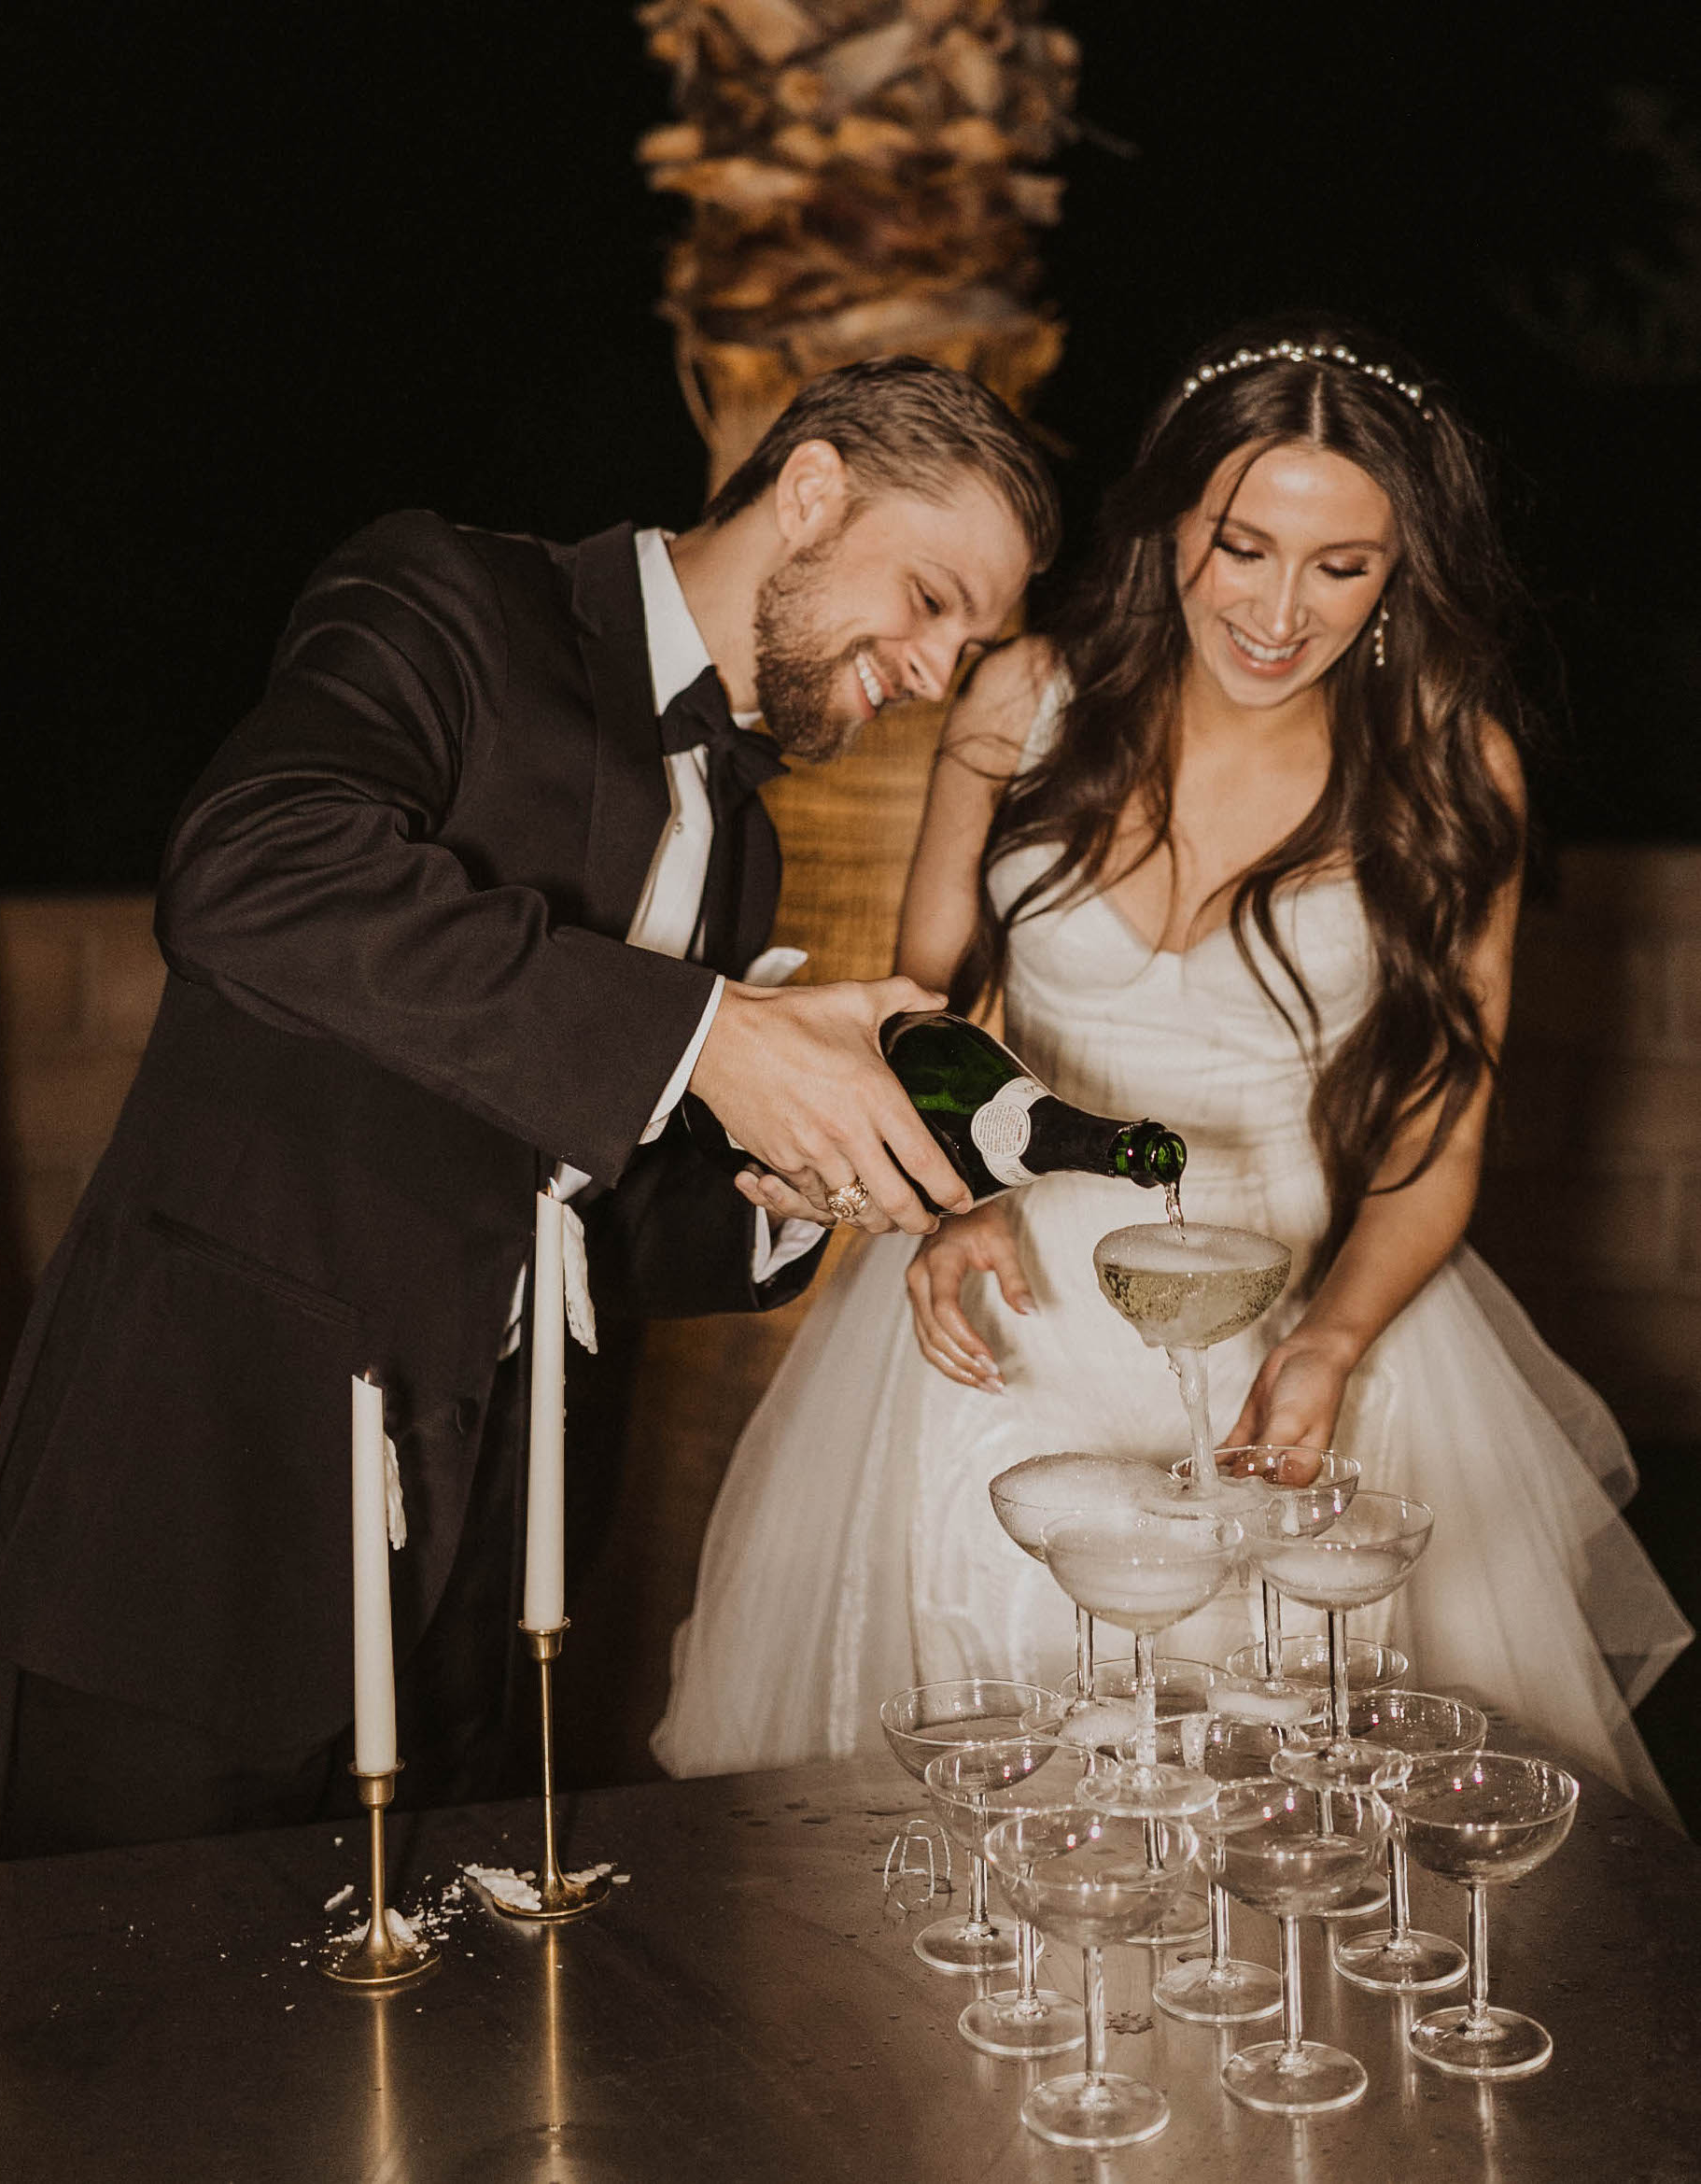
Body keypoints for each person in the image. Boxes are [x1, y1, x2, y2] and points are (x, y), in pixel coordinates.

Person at [0, 356, 1061, 1857]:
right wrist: (715, 1035)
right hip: (205, 1499)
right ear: (811, 490)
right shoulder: (452, 599)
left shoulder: (740, 845)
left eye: (975, 639)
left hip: (488, 1563)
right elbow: (254, 871)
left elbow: (592, 1207)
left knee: (409, 2064)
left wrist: (783, 1192)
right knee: (115, 2040)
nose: (940, 671)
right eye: (932, 597)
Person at [655, 322, 1693, 1823]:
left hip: (1299, 1315)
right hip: (1012, 1311)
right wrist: (950, 1207)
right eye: (1242, 546)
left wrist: (1330, 1346)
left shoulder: (1453, 768)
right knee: (1002, 1782)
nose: (1278, 610)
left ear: (1400, 571)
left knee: (1283, 1798)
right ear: (1172, 530)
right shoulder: (1020, 700)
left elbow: (1432, 1136)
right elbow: (920, 1017)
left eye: (1340, 566)